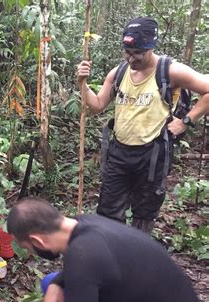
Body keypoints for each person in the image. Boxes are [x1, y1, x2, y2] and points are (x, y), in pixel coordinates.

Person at [6, 197, 206, 302]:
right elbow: (89, 268)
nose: (31, 252)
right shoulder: (83, 224)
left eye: (28, 248)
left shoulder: (83, 257)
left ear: (37, 241)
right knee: (50, 282)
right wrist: (57, 285)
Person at [77, 17, 209, 234]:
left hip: (152, 153)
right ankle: (112, 254)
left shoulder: (170, 71)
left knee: (144, 213)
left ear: (151, 47)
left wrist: (186, 121)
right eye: (127, 52)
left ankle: (137, 257)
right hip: (119, 151)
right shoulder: (119, 72)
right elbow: (97, 105)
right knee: (109, 210)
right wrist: (82, 83)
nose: (131, 59)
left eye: (137, 53)